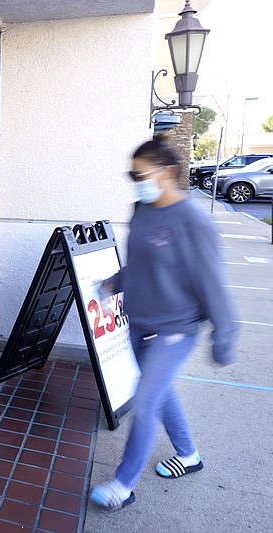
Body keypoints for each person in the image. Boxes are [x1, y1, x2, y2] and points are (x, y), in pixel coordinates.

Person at [89, 140, 239, 510]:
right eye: (132, 175)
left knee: (146, 402)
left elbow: (211, 283)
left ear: (168, 172)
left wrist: (224, 338)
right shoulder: (141, 208)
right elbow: (141, 263)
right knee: (161, 392)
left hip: (176, 330)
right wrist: (114, 283)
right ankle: (188, 454)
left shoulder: (193, 221)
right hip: (140, 324)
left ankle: (122, 486)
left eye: (141, 175)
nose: (136, 182)